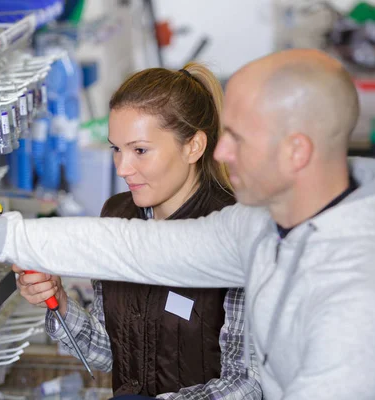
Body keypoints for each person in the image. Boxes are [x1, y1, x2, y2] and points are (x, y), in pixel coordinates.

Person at [0, 49, 375, 400]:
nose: (223, 153)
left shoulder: (368, 291)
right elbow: (131, 247)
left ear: (296, 151)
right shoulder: (261, 229)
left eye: (238, 138)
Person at [16, 63, 262, 399]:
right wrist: (59, 303)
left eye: (140, 150)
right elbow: (106, 352)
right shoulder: (118, 215)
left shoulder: (237, 229)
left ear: (193, 146)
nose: (122, 168)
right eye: (116, 148)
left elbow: (246, 383)